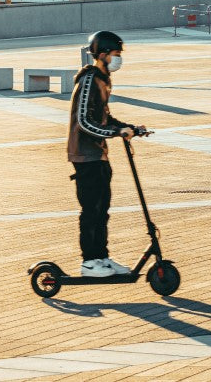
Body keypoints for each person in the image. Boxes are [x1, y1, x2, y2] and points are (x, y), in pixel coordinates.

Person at [67, 31, 146, 278]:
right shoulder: (89, 80)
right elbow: (84, 121)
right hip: (85, 156)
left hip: (99, 155)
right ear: (102, 55)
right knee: (91, 210)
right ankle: (89, 262)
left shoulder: (103, 79)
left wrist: (129, 128)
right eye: (115, 55)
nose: (118, 59)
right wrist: (115, 132)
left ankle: (102, 257)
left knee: (103, 210)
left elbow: (105, 118)